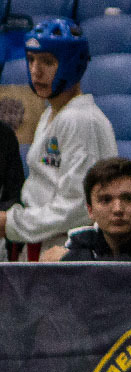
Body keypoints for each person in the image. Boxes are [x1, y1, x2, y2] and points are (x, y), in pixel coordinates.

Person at [1, 19, 115, 261]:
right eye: (31, 60)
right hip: (40, 241)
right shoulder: (51, 114)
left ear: (72, 64)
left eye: (48, 62)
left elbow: (77, 206)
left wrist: (12, 223)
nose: (36, 71)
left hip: (66, 248)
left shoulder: (80, 119)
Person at [41, 157, 131, 261]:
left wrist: (71, 260)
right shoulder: (82, 241)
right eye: (106, 200)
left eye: (128, 198)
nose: (117, 209)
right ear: (90, 210)